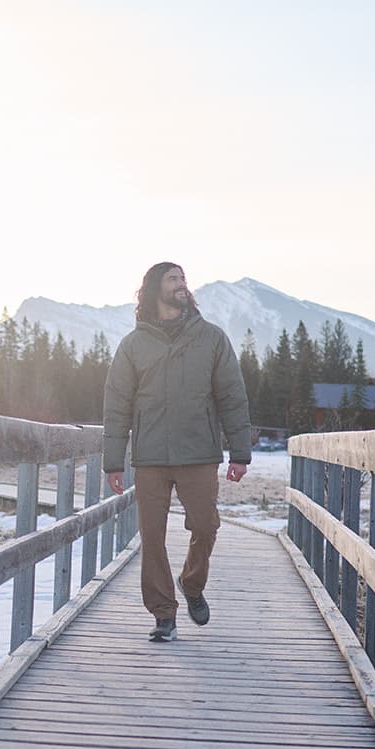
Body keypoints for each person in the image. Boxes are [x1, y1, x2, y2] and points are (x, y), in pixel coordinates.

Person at [102, 262, 253, 642]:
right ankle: (163, 614)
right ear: (154, 290)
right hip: (150, 456)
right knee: (151, 537)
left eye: (184, 279)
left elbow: (232, 397)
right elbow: (117, 405)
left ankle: (192, 582)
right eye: (173, 279)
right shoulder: (133, 345)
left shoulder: (212, 339)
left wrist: (240, 452)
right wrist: (113, 461)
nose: (182, 285)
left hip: (199, 452)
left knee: (205, 526)